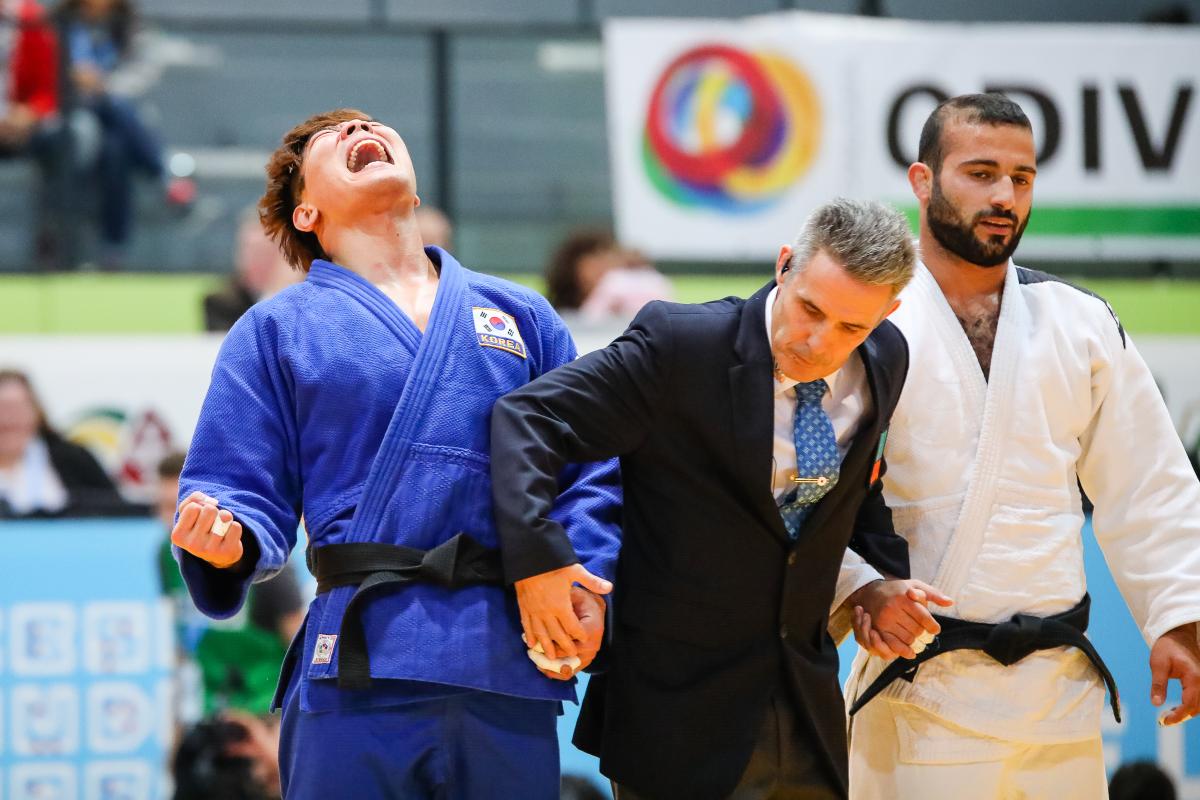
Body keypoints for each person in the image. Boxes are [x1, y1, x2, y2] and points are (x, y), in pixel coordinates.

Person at [168, 108, 620, 800]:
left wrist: (581, 579)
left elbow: (588, 469)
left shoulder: (522, 316)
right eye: (333, 136)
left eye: (371, 125)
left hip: (500, 655)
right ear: (306, 212)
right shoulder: (277, 329)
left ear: (413, 188)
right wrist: (226, 538)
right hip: (359, 661)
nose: (359, 131)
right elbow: (237, 488)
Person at [492, 198, 948, 799]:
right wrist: (539, 560)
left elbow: (835, 505)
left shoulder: (887, 358)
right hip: (677, 719)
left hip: (807, 708)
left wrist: (872, 581)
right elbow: (528, 417)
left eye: (851, 327)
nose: (818, 341)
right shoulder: (680, 346)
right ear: (785, 265)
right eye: (810, 308)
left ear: (887, 314)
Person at [844, 93, 1200, 799]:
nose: (1005, 195)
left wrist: (1180, 616)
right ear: (922, 181)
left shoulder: (1080, 323)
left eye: (1022, 177)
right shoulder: (864, 322)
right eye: (980, 173)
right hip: (920, 687)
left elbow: (1148, 482)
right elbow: (800, 487)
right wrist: (858, 586)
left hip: (1058, 698)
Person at [156, 452, 305, 715]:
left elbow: (298, 645)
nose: (170, 520)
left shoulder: (252, 552)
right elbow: (179, 647)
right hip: (212, 710)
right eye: (161, 507)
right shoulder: (164, 557)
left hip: (265, 710)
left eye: (176, 507)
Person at [0, 368, 129, 516]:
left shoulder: (74, 459)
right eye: (1, 408)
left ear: (36, 413)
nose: (7, 419)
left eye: (16, 408)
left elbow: (118, 512)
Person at [203, 208, 301, 332]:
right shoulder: (219, 302)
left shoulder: (305, 300)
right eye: (249, 249)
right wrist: (273, 294)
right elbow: (244, 346)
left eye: (264, 252)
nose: (254, 259)